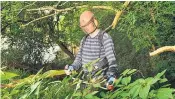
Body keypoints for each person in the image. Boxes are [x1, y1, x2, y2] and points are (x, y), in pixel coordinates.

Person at [64, 11, 118, 89]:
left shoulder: (104, 37)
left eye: (88, 24)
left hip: (102, 81)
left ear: (94, 21)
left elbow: (112, 60)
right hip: (87, 80)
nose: (86, 27)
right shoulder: (84, 40)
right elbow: (79, 59)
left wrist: (112, 76)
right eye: (84, 26)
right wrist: (72, 67)